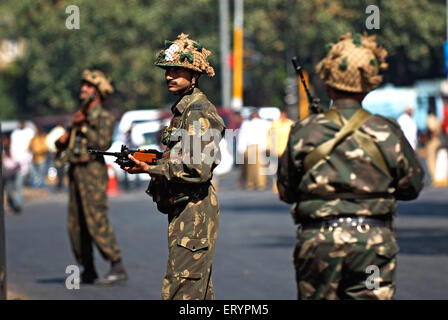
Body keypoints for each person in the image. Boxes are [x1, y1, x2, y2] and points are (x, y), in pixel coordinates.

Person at [277, 32, 424, 300]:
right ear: (369, 87)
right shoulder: (387, 131)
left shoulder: (304, 131)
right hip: (373, 244)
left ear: (328, 85)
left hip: (319, 243)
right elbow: (411, 186)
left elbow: (286, 191)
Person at [123, 33, 225, 300]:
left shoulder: (199, 111)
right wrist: (148, 161)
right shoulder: (184, 110)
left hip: (195, 211)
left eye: (178, 70)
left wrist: (151, 169)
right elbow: (181, 156)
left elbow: (197, 169)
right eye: (168, 70)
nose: (169, 76)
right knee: (195, 291)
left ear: (194, 75)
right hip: (184, 208)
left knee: (182, 291)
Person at [55, 69, 127, 284]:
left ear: (97, 93)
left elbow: (102, 143)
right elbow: (62, 144)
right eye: (83, 85)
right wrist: (69, 131)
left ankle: (116, 264)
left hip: (92, 172)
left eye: (88, 86)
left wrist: (83, 126)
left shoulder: (103, 117)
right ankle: (88, 267)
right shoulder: (79, 116)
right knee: (76, 223)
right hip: (75, 171)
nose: (83, 90)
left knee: (96, 218)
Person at [237, 111, 270, 191]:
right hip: (261, 146)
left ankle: (251, 183)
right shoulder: (266, 123)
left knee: (251, 167)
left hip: (250, 146)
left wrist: (241, 148)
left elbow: (242, 136)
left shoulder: (247, 124)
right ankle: (261, 183)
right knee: (261, 166)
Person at [266, 109, 294, 192]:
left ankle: (286, 185)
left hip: (287, 150)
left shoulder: (290, 124)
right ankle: (277, 185)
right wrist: (268, 146)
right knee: (276, 169)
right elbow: (269, 135)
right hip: (276, 150)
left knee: (286, 169)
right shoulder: (274, 124)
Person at [10, 120, 34, 210]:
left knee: (18, 185)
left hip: (24, 163)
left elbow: (31, 145)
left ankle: (18, 202)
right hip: (13, 164)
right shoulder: (15, 134)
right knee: (13, 186)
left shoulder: (29, 132)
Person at [2, 135, 21, 214]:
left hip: (13, 172)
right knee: (7, 191)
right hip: (6, 173)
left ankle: (16, 205)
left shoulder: (13, 149)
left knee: (13, 190)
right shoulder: (3, 150)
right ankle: (12, 205)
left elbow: (17, 160)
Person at [28, 124, 49, 188]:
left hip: (42, 158)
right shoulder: (34, 138)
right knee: (34, 173)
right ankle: (35, 185)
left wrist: (40, 151)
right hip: (34, 158)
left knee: (42, 172)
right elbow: (29, 147)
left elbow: (46, 147)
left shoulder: (45, 137)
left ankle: (42, 185)